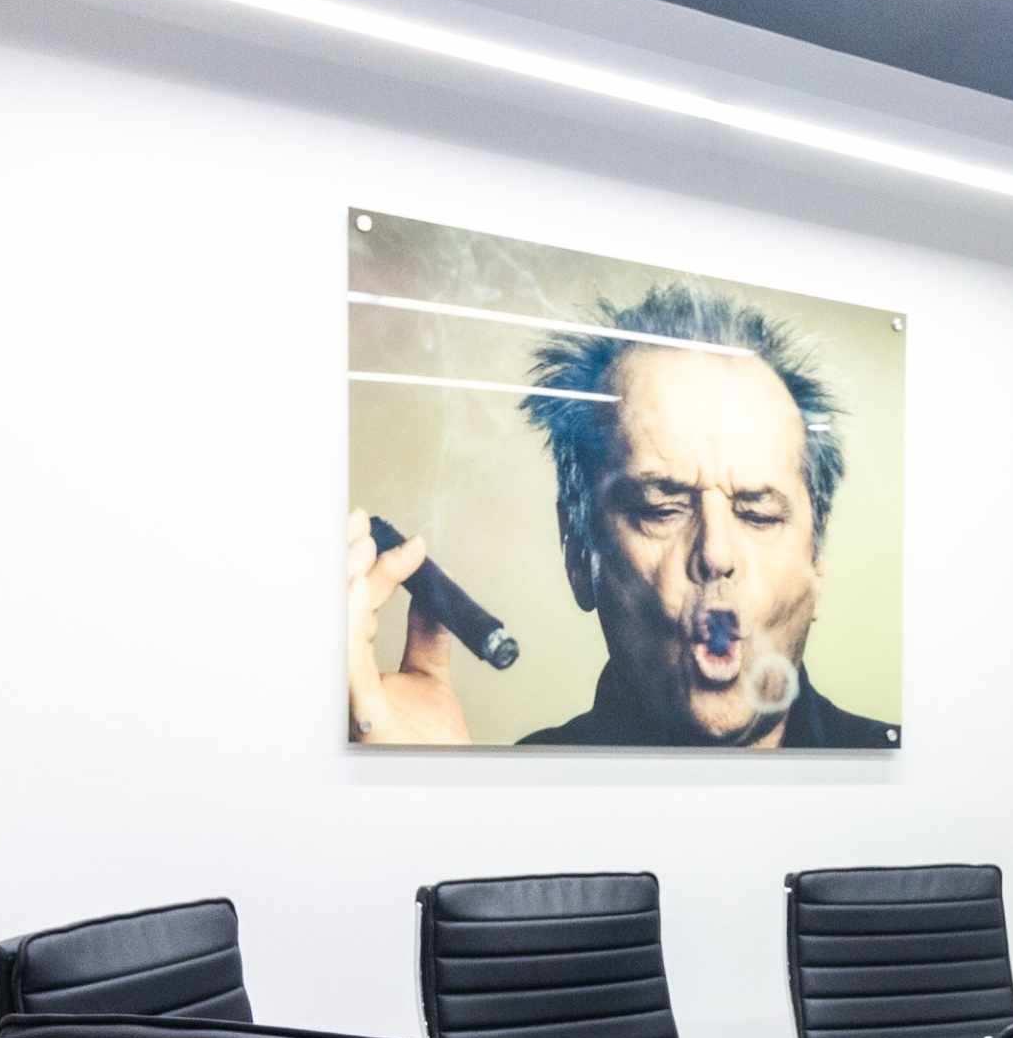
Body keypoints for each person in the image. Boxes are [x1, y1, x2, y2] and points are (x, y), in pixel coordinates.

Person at [346, 282, 894, 749]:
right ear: (579, 555)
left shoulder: (918, 785)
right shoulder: (519, 791)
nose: (717, 554)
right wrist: (433, 803)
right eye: (661, 509)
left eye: (757, 514)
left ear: (817, 559)